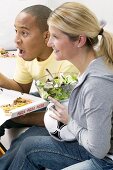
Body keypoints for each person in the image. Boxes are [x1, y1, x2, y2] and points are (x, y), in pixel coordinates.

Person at [1, 1, 113, 169]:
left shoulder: (95, 82)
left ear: (79, 40)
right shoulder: (89, 68)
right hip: (93, 140)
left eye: (55, 37)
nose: (49, 43)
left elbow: (98, 149)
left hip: (103, 157)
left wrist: (69, 120)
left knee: (28, 147)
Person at [0, 4, 78, 136]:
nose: (16, 40)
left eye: (24, 33)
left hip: (66, 107)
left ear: (46, 36)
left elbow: (69, 114)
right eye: (16, 31)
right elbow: (21, 89)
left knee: (25, 143)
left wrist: (24, 118)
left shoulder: (67, 62)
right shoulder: (25, 55)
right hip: (51, 99)